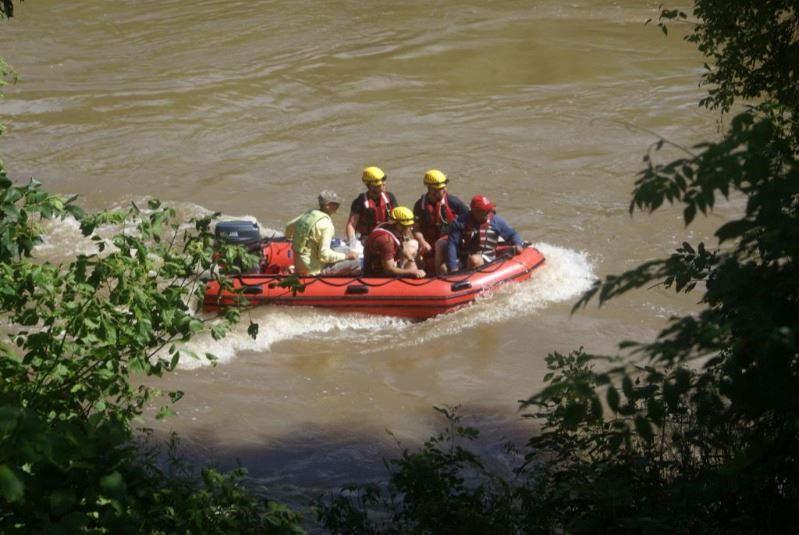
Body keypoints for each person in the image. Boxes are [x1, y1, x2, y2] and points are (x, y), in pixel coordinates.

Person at [284, 190, 359, 275]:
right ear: (327, 205)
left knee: (347, 249)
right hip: (313, 270)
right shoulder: (326, 225)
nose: (338, 205)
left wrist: (293, 239)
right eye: (335, 203)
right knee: (356, 262)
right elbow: (324, 255)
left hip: (299, 264)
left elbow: (288, 227)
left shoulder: (309, 214)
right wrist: (346, 257)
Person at [445, 195, 525, 273]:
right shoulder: (459, 223)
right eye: (485, 210)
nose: (489, 212)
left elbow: (513, 234)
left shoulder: (496, 221)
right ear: (475, 211)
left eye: (489, 209)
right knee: (443, 268)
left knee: (474, 260)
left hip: (487, 257)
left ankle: (470, 279)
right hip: (464, 257)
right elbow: (452, 245)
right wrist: (453, 268)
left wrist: (518, 244)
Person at [412, 169, 469, 274]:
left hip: (450, 242)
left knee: (440, 245)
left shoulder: (453, 202)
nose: (444, 191)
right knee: (412, 246)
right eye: (439, 189)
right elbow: (415, 228)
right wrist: (422, 241)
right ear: (430, 190)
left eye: (443, 188)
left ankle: (438, 275)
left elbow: (470, 218)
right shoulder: (419, 206)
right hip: (428, 243)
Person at [363, 206, 426, 278]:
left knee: (414, 245)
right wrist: (412, 272)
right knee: (415, 264)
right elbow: (388, 270)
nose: (411, 228)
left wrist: (411, 260)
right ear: (399, 226)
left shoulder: (390, 227)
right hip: (377, 273)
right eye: (408, 226)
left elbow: (402, 246)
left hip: (387, 261)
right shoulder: (387, 241)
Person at [345, 166, 398, 244]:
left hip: (388, 236)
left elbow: (398, 219)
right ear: (370, 186)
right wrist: (353, 243)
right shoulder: (359, 202)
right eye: (380, 185)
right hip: (367, 239)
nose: (384, 185)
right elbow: (351, 225)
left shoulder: (390, 197)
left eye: (383, 183)